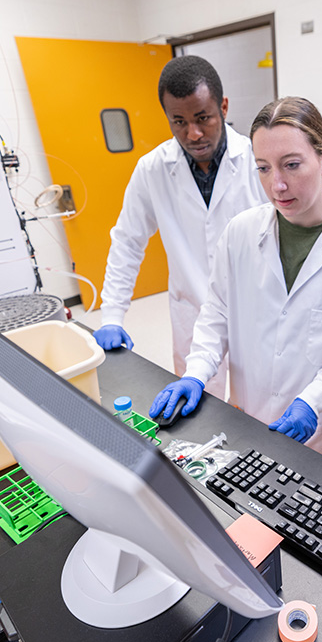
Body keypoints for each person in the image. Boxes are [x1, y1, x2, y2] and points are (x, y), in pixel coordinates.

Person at [150, 97, 322, 478]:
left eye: (292, 165)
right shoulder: (240, 233)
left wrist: (315, 399)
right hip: (249, 422)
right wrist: (196, 372)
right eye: (263, 168)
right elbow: (217, 312)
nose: (277, 185)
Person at [94, 55, 267, 397]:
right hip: (192, 309)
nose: (193, 133)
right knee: (201, 404)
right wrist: (112, 314)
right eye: (179, 122)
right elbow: (128, 241)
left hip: (256, 308)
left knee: (257, 406)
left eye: (203, 118)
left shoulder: (256, 162)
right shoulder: (152, 169)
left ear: (224, 107)